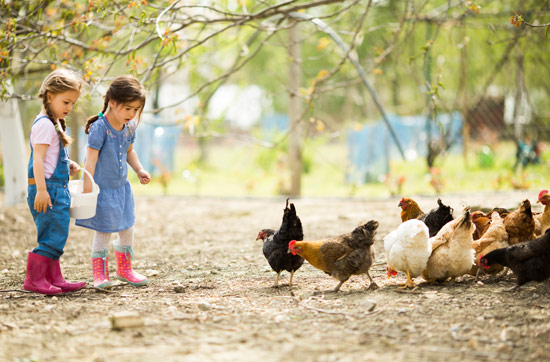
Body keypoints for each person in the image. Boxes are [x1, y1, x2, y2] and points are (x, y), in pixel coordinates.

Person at [75, 75, 151, 289]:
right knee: (104, 230)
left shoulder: (128, 128)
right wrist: (87, 189)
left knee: (127, 227)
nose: (132, 114)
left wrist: (139, 169)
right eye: (128, 108)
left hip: (122, 189)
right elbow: (89, 161)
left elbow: (130, 151)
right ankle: (100, 273)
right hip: (102, 190)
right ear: (113, 102)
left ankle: (124, 269)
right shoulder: (100, 128)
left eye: (136, 110)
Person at [25, 69, 86, 295]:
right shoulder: (44, 124)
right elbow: (37, 161)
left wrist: (67, 163)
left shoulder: (55, 123)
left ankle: (53, 277)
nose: (69, 108)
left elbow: (50, 157)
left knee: (57, 233)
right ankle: (34, 279)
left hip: (56, 189)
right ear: (50, 96)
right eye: (66, 102)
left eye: (72, 103)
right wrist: (41, 190)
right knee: (51, 236)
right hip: (47, 189)